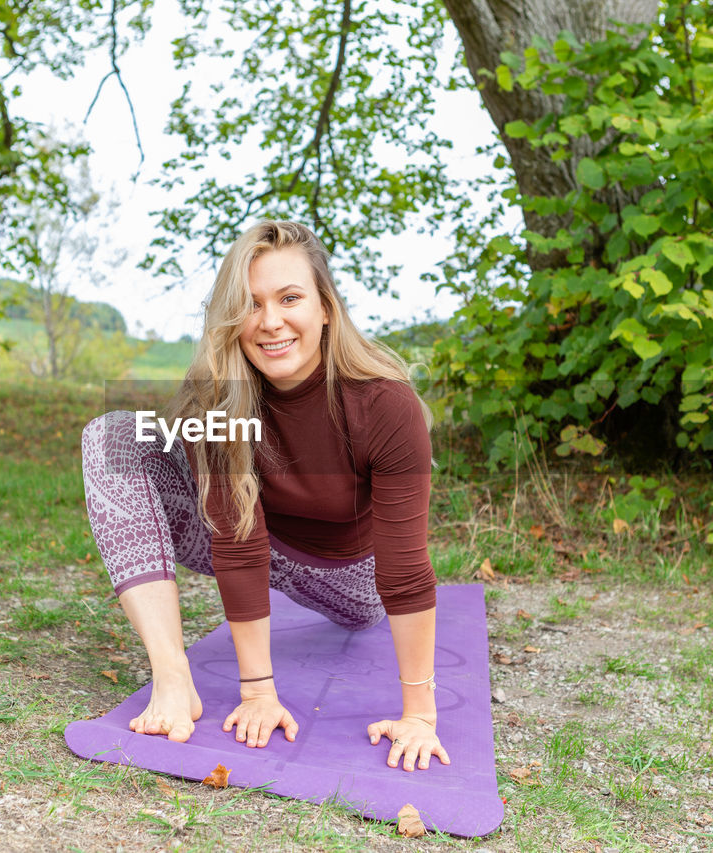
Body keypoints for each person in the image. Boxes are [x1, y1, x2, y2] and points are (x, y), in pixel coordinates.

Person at [80, 220, 449, 773]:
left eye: (290, 298)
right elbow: (238, 542)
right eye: (251, 304)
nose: (270, 321)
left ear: (326, 307)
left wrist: (420, 714)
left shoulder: (382, 404)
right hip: (255, 542)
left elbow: (403, 569)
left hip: (346, 574)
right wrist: (257, 692)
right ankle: (172, 675)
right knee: (113, 436)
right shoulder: (220, 399)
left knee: (364, 607)